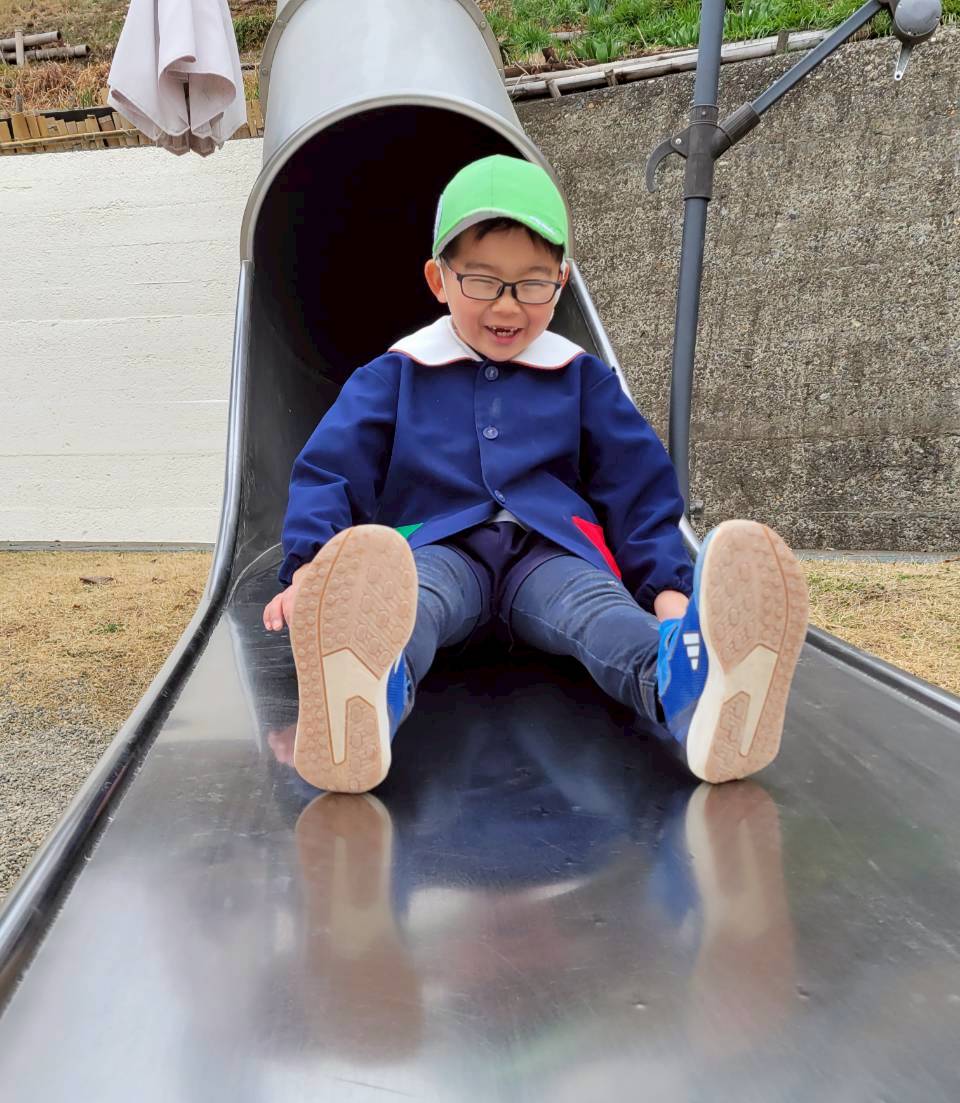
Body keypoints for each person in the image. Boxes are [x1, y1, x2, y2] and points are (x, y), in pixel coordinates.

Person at [262, 154, 809, 794]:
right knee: (411, 607)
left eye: (532, 284)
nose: (508, 305)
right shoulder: (397, 373)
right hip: (438, 547)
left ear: (561, 281)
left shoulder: (580, 378)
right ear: (439, 279)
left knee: (599, 613)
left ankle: (686, 690)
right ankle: (364, 698)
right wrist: (311, 567)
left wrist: (668, 591)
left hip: (550, 552)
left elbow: (636, 488)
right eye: (483, 281)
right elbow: (332, 467)